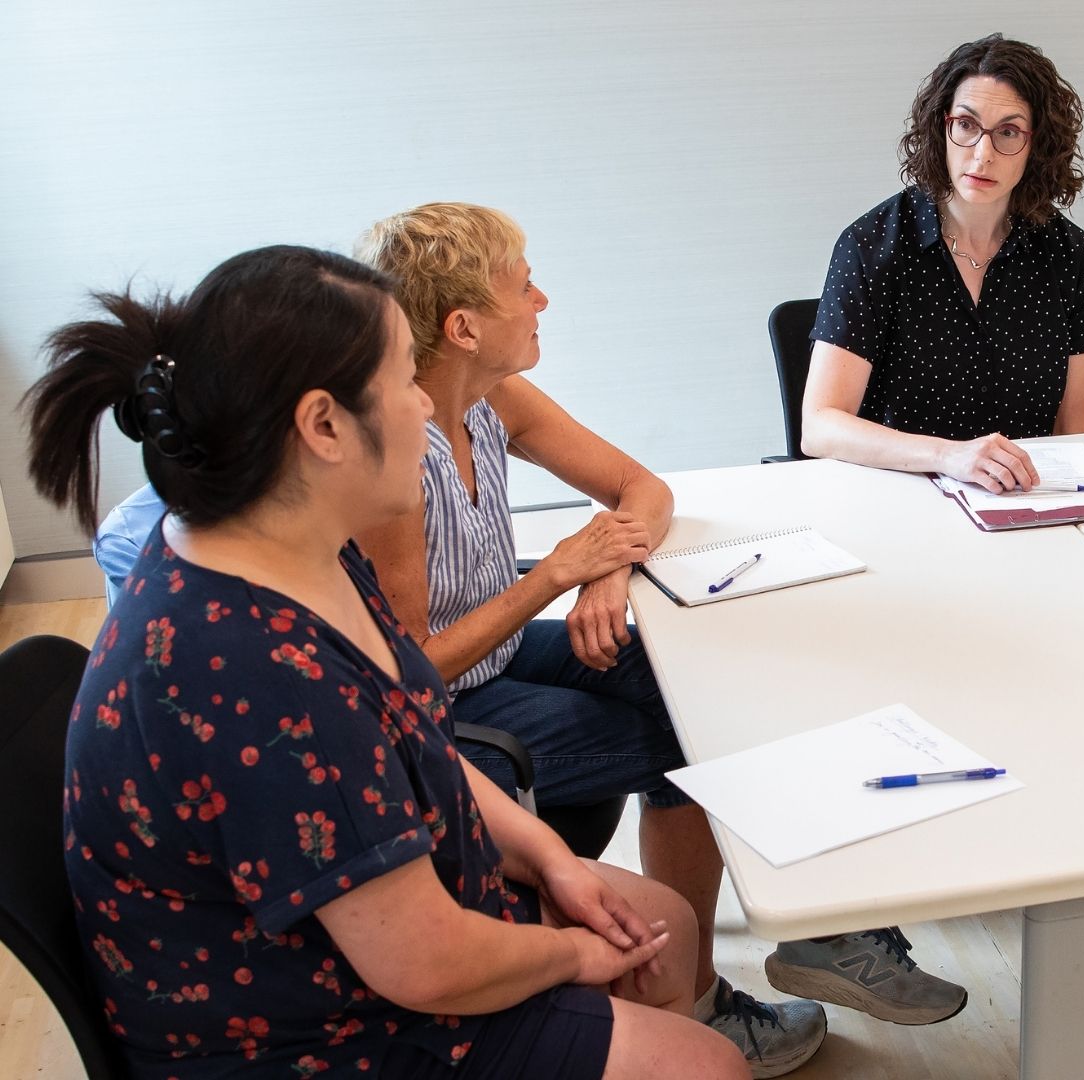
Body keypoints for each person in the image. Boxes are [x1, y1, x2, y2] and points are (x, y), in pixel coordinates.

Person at [28, 245, 747, 1079]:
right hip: (307, 1030)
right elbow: (423, 964)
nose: (425, 407)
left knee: (660, 924)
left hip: (379, 933)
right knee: (704, 1060)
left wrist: (552, 862)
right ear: (324, 426)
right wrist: (569, 960)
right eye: (408, 380)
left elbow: (422, 742)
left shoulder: (290, 547)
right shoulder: (257, 672)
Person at [352, 203, 828, 1071]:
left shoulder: (492, 394)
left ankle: (758, 954)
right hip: (443, 716)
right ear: (462, 327)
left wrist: (606, 569)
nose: (543, 298)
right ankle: (704, 1001)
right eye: (522, 285)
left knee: (699, 683)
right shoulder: (399, 460)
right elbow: (407, 678)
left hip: (496, 655)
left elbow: (639, 487)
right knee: (697, 743)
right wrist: (553, 579)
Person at [796, 33, 1084, 974]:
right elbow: (822, 424)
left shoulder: (1070, 258)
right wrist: (949, 458)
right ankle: (895, 877)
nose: (983, 153)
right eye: (967, 126)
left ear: (1036, 147)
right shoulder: (875, 245)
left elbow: (1073, 429)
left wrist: (1045, 503)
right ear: (939, 128)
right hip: (900, 516)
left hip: (1024, 517)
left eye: (1009, 134)